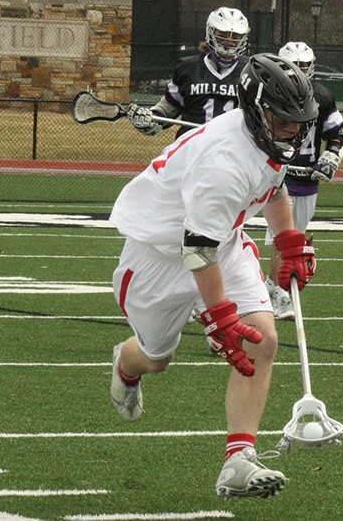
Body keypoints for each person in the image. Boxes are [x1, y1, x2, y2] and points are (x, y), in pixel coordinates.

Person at [108, 53, 318, 499]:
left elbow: (273, 185)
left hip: (217, 240)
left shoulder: (266, 138)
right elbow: (195, 249)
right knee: (155, 358)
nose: (293, 130)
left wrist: (288, 240)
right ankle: (126, 366)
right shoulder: (223, 162)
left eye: (299, 121)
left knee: (262, 337)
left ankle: (239, 461)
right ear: (257, 109)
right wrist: (220, 315)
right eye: (283, 120)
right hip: (159, 254)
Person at [262, 41, 343, 319]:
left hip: (307, 179)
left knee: (293, 236)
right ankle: (277, 293)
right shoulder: (270, 94)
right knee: (282, 238)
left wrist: (330, 158)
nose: (299, 72)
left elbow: (337, 135)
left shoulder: (322, 96)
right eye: (294, 67)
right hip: (278, 174)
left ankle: (270, 289)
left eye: (304, 67)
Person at [126, 6, 250, 137]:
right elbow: (169, 107)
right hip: (191, 146)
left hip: (231, 148)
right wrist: (153, 117)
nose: (229, 42)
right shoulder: (188, 67)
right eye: (222, 35)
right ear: (210, 33)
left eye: (235, 37)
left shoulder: (251, 70)